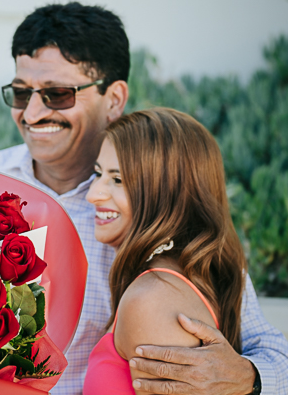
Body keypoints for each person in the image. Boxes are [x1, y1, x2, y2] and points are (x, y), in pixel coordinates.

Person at [0, 2, 288, 394]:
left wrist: (247, 378)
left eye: (57, 94)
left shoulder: (157, 207)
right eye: (21, 93)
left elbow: (275, 355)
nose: (32, 113)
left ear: (113, 98)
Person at [83, 108, 247, 394]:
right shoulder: (181, 276)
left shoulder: (152, 302)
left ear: (167, 192)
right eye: (98, 174)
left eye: (118, 180)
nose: (93, 194)